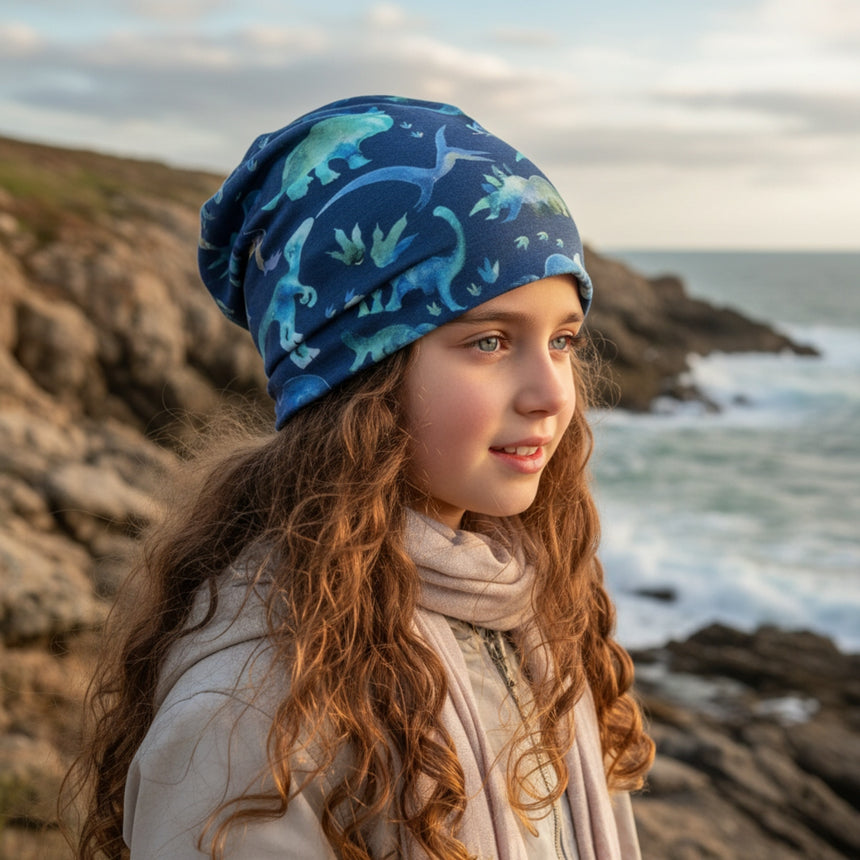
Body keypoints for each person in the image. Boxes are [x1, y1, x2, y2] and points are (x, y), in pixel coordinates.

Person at [70, 95, 654, 859]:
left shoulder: (532, 614)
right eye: (487, 341)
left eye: (563, 340)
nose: (551, 395)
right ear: (361, 377)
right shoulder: (250, 716)